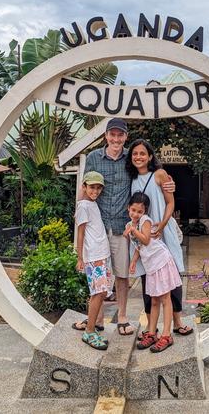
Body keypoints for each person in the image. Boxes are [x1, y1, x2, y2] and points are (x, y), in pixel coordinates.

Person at [73, 118, 175, 335]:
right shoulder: (93, 157)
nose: (116, 139)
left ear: (125, 137)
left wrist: (169, 181)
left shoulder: (130, 158)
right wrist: (80, 216)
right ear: (106, 136)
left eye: (120, 135)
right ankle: (97, 319)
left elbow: (150, 171)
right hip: (97, 227)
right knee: (99, 274)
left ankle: (122, 317)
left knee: (121, 274)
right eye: (113, 135)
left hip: (122, 226)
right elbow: (85, 189)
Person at [125, 138, 193, 338]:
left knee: (172, 278)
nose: (138, 157)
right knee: (148, 279)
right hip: (142, 237)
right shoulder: (130, 178)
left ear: (150, 156)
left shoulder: (160, 174)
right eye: (135, 154)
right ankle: (149, 326)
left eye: (142, 153)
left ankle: (178, 321)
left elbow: (170, 203)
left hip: (162, 233)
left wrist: (162, 226)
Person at [124, 192, 182, 352]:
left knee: (165, 298)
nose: (136, 214)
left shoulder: (145, 221)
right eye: (133, 210)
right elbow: (139, 246)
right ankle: (151, 333)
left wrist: (132, 231)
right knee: (154, 300)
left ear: (145, 212)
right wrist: (134, 261)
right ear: (128, 208)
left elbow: (146, 239)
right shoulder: (130, 224)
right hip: (150, 266)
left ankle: (166, 335)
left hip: (161, 261)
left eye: (139, 211)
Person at [74, 171, 114, 350]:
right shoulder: (83, 205)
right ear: (84, 186)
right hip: (94, 257)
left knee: (101, 293)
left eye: (98, 188)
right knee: (98, 293)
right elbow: (80, 232)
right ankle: (89, 331)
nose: (95, 191)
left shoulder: (93, 204)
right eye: (91, 187)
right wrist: (80, 257)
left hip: (102, 255)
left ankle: (91, 322)